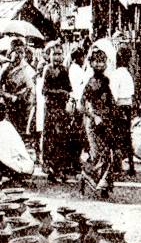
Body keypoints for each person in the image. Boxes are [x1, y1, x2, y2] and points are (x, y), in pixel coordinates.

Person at [81, 47, 117, 198]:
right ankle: (85, 176)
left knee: (107, 154)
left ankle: (104, 186)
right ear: (91, 63)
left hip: (107, 121)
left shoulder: (106, 81)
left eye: (102, 61)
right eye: (96, 61)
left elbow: (109, 100)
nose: (100, 65)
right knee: (96, 155)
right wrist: (93, 116)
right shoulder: (90, 83)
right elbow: (81, 105)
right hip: (94, 123)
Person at [41, 41, 73, 181]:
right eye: (55, 54)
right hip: (50, 108)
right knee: (50, 139)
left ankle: (61, 169)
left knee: (62, 138)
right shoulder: (47, 70)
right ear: (50, 56)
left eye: (60, 54)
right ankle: (51, 170)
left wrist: (65, 94)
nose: (57, 57)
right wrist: (60, 92)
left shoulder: (65, 70)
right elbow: (44, 90)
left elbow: (69, 88)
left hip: (61, 109)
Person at [0, 38, 36, 136]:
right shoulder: (5, 69)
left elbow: (31, 89)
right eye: (16, 52)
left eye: (21, 52)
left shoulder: (27, 69)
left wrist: (24, 95)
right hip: (8, 105)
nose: (19, 55)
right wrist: (9, 96)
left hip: (23, 107)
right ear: (11, 52)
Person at [109, 46, 136, 176]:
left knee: (116, 138)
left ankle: (117, 165)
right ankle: (131, 165)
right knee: (127, 137)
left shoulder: (116, 74)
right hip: (128, 106)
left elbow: (113, 94)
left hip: (118, 106)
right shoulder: (128, 74)